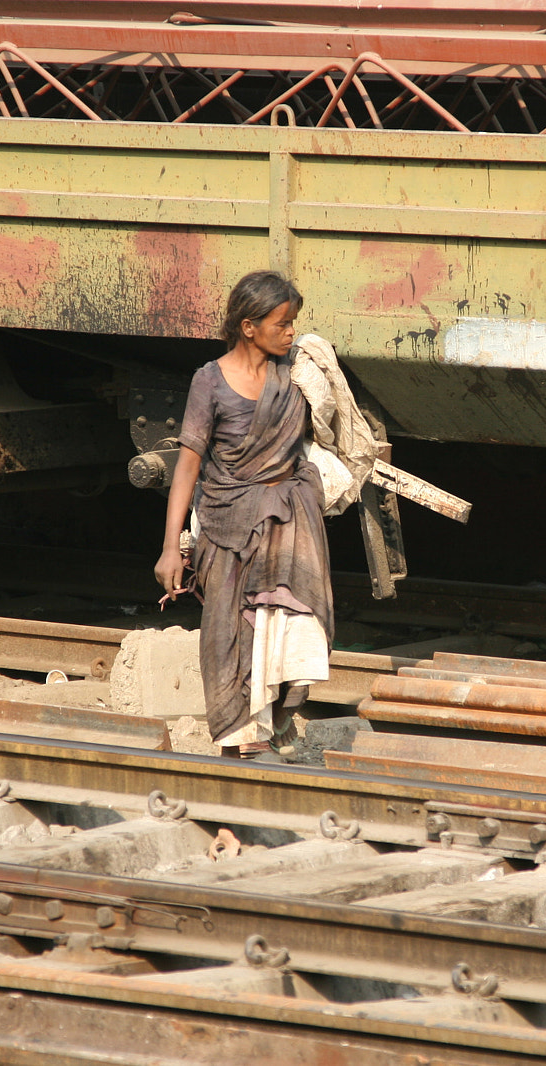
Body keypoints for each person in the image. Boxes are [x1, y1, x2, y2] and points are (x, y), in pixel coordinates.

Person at [154, 271, 333, 759]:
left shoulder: (296, 374)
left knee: (288, 625)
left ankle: (270, 730)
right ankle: (238, 745)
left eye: (293, 322)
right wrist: (172, 547)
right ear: (249, 326)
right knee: (233, 633)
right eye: (282, 323)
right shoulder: (209, 381)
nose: (292, 332)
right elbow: (187, 467)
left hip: (287, 523)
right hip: (227, 526)